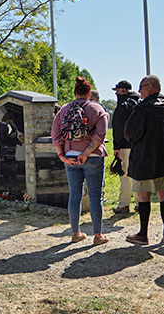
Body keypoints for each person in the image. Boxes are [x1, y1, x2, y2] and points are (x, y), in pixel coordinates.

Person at [52, 76, 109, 245]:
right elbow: (100, 136)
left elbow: (55, 135)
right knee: (95, 196)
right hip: (92, 158)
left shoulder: (63, 110)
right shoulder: (97, 109)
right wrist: (86, 153)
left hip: (70, 158)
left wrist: (62, 156)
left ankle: (75, 233)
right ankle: (98, 236)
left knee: (74, 195)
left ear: (75, 92)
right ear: (89, 93)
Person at [124, 75, 164, 245]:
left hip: (145, 157)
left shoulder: (142, 108)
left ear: (150, 87)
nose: (139, 91)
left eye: (141, 87)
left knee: (143, 194)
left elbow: (130, 132)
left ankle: (143, 234)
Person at [110, 80, 140, 214]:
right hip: (138, 144)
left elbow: (118, 128)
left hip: (125, 145)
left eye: (117, 90)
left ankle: (124, 204)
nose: (116, 93)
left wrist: (117, 146)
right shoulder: (139, 103)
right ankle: (141, 203)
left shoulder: (123, 105)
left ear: (124, 91)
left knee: (125, 175)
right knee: (137, 175)